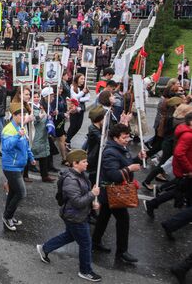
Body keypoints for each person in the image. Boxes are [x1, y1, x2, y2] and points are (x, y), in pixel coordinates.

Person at [36, 149, 102, 283]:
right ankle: (85, 271)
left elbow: (84, 196)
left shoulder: (81, 174)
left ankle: (44, 248)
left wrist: (93, 202)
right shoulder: (71, 180)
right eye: (84, 162)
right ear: (75, 163)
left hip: (77, 214)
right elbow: (77, 202)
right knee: (86, 243)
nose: (87, 163)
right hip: (74, 216)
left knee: (69, 236)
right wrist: (92, 194)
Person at [92, 124, 146, 263]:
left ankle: (95, 242)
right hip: (112, 192)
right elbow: (114, 175)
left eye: (128, 136)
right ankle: (122, 252)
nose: (127, 139)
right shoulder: (110, 151)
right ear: (115, 138)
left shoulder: (121, 147)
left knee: (104, 217)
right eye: (124, 137)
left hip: (111, 192)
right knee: (123, 220)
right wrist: (130, 168)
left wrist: (138, 158)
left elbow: (127, 162)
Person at [1, 108, 36, 231]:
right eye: (20, 115)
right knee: (21, 193)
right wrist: (17, 135)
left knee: (13, 192)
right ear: (14, 116)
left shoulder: (22, 128)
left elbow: (26, 146)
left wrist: (31, 157)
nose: (23, 117)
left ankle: (8, 215)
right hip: (11, 166)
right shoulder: (9, 129)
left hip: (20, 165)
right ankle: (7, 216)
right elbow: (6, 147)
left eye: (24, 115)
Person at [67, 73, 90, 148]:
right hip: (74, 109)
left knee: (78, 126)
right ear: (77, 79)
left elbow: (88, 98)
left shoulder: (84, 87)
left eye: (83, 79)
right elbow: (74, 97)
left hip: (81, 109)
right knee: (73, 126)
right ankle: (67, 140)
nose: (83, 80)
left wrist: (79, 98)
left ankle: (67, 138)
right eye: (81, 79)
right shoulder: (72, 86)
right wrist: (82, 92)